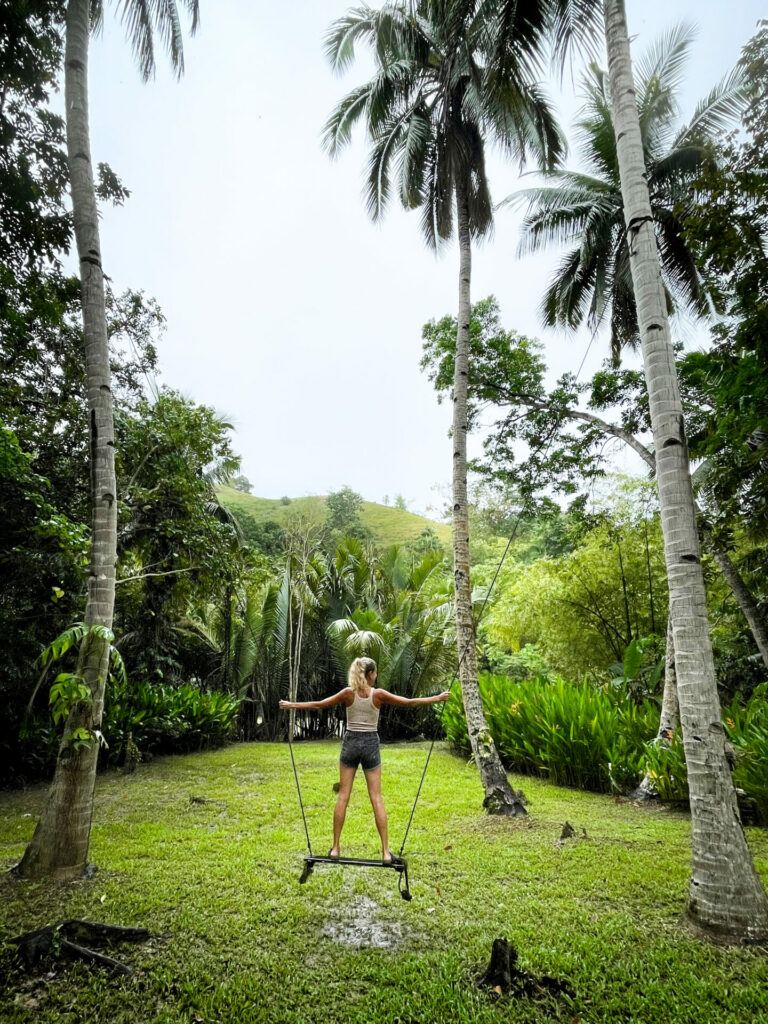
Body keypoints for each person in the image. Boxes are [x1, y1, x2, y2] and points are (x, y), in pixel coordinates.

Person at [279, 657, 450, 864]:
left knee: (343, 795)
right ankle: (386, 852)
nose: (376, 676)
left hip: (350, 743)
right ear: (369, 674)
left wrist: (291, 705)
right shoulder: (377, 695)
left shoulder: (347, 693)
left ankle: (335, 848)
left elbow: (318, 705)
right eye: (375, 673)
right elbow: (409, 702)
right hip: (370, 744)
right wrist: (436, 698)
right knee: (376, 798)